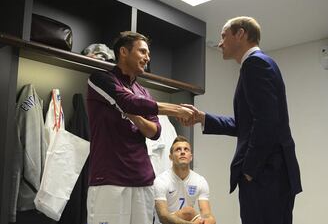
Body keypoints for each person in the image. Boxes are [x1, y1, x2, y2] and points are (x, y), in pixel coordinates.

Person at [180, 17, 302, 224]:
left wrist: (249, 171)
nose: (220, 43)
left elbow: (266, 122)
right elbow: (247, 124)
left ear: (241, 34)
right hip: (271, 174)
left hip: (265, 175)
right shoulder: (261, 63)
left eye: (223, 36)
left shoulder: (255, 64)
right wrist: (203, 118)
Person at [86, 31, 194, 224]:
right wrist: (177, 110)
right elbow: (127, 101)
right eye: (143, 52)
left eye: (148, 54)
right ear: (123, 52)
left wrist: (133, 114)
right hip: (110, 178)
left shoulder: (144, 92)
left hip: (142, 179)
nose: (147, 58)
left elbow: (155, 131)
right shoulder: (100, 80)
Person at [153, 136, 215, 224]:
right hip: (166, 222)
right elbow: (163, 217)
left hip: (190, 220)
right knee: (188, 212)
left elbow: (207, 216)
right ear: (170, 157)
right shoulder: (161, 180)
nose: (182, 152)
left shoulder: (200, 181)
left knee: (202, 217)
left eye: (186, 149)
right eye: (178, 149)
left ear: (191, 157)